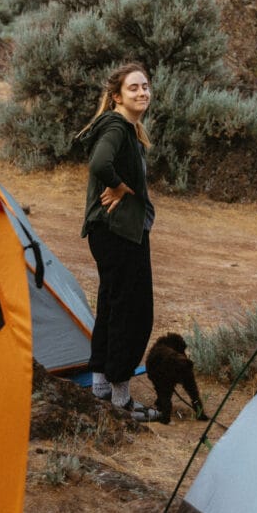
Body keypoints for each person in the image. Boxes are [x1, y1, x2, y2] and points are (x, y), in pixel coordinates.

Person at [77, 62, 159, 421]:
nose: (142, 92)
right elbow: (99, 163)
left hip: (112, 232)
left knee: (112, 306)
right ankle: (121, 399)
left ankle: (100, 388)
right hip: (119, 233)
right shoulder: (115, 125)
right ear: (116, 97)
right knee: (134, 313)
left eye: (145, 87)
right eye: (133, 88)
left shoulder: (127, 128)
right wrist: (120, 186)